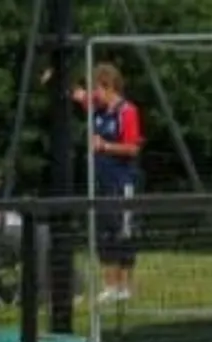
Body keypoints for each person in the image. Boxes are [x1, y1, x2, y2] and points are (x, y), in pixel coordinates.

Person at [72, 63, 143, 303]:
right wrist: (56, 77)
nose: (93, 95)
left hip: (121, 181)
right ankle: (110, 286)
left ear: (109, 87)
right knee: (104, 233)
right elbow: (77, 94)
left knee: (123, 232)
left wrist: (105, 146)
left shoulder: (127, 112)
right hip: (100, 182)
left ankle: (125, 286)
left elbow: (133, 148)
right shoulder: (96, 109)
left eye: (97, 89)